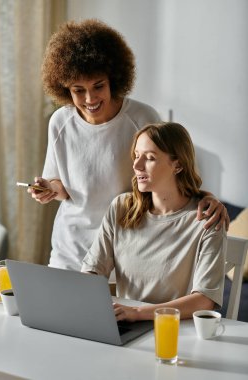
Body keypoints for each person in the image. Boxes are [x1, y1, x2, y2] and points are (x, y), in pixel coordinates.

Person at [30, 19, 229, 271]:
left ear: (113, 78)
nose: (90, 99)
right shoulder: (60, 122)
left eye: (98, 86)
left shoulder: (143, 119)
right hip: (68, 251)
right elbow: (63, 187)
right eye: (78, 90)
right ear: (64, 88)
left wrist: (207, 197)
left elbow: (173, 175)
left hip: (124, 252)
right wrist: (49, 188)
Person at [81, 122, 227, 321]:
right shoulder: (122, 208)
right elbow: (93, 270)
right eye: (136, 155)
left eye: (149, 158)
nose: (136, 165)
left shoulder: (207, 219)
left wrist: (138, 313)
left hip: (174, 331)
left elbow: (204, 300)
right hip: (125, 325)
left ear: (178, 165)